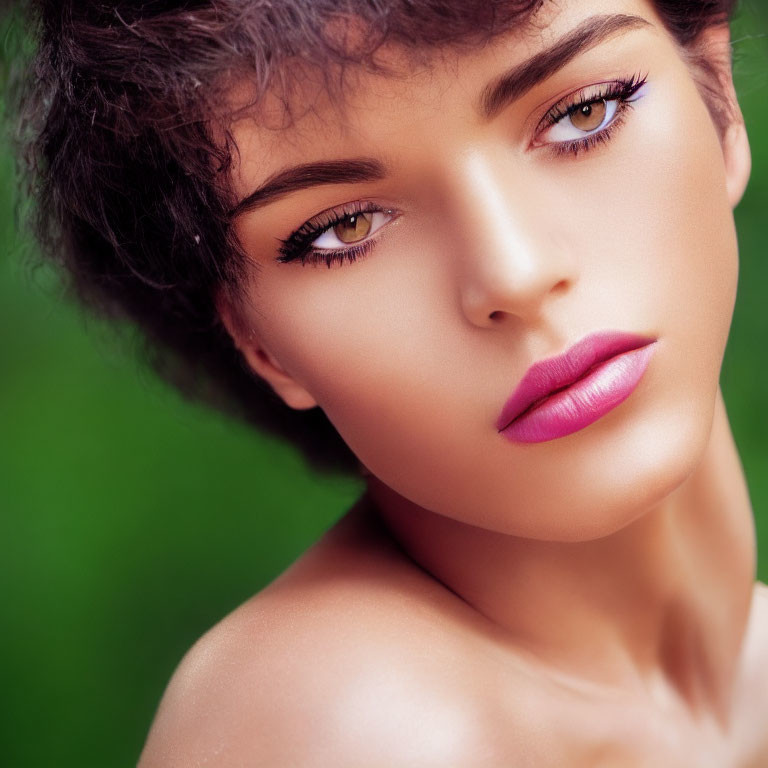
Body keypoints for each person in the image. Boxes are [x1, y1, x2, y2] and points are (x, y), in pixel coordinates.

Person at [16, 0, 768, 764]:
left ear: (719, 95)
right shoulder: (344, 729)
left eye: (583, 114)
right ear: (258, 341)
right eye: (347, 229)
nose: (515, 272)